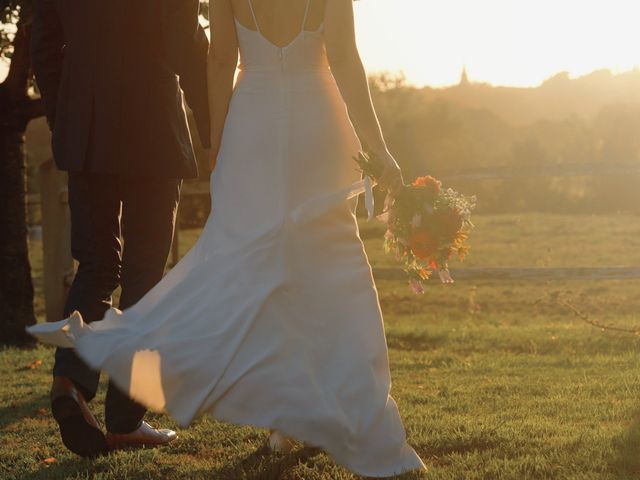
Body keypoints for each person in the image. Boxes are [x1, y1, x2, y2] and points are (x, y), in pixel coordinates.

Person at [29, 0, 427, 475]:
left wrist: (218, 138)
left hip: (174, 124)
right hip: (255, 125)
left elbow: (217, 58)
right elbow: (335, 57)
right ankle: (131, 417)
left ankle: (78, 378)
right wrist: (377, 148)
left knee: (124, 263)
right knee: (322, 264)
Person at [30, 0, 210, 457]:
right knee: (145, 278)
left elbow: (45, 46)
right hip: (153, 128)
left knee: (95, 264)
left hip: (85, 126)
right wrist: (213, 127)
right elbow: (184, 44)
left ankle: (70, 381)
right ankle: (127, 420)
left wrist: (62, 117)